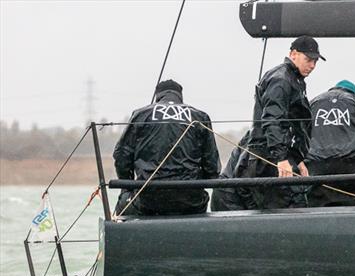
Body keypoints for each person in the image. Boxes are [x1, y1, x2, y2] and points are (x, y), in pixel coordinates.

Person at [238, 35, 322, 209]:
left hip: (280, 157)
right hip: (268, 159)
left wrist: (297, 158)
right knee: (284, 209)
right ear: (293, 54)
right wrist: (281, 158)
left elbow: (295, 123)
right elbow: (273, 119)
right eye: (308, 60)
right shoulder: (281, 80)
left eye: (315, 61)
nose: (312, 65)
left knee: (295, 207)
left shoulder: (294, 79)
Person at [113, 79, 220, 216]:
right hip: (190, 200)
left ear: (158, 96)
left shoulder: (140, 115)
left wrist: (127, 187)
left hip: (149, 199)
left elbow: (121, 155)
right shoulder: (200, 116)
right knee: (200, 198)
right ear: (180, 96)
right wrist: (198, 184)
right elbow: (212, 166)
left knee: (125, 201)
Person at [305, 80, 355, 207]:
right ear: (353, 92)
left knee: (315, 208)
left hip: (317, 165)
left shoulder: (313, 102)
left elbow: (302, 132)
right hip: (351, 165)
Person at [210, 131, 255, 211]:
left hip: (229, 191)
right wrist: (255, 210)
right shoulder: (259, 138)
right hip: (228, 197)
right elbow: (242, 177)